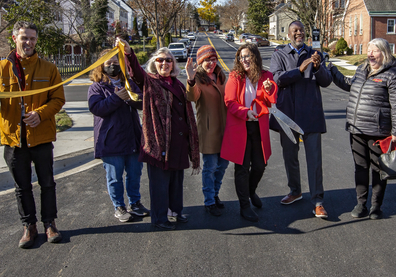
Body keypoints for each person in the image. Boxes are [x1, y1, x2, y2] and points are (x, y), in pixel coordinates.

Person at [0, 21, 65, 248]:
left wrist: (41, 114)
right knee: (21, 186)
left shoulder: (49, 69)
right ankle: (29, 226)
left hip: (42, 136)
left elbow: (58, 99)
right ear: (15, 38)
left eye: (33, 39)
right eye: (24, 38)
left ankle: (49, 224)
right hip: (13, 139)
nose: (29, 42)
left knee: (47, 183)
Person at [116, 38, 200, 231]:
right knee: (160, 185)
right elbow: (135, 72)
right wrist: (128, 52)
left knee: (176, 182)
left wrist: (190, 78)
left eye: (168, 60)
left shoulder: (178, 84)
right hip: (159, 144)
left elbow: (191, 98)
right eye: (160, 60)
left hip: (178, 141)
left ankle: (174, 211)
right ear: (154, 64)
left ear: (173, 64)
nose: (164, 63)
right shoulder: (149, 82)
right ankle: (159, 218)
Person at [330, 38, 396, 220]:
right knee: (360, 167)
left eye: (375, 51)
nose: (370, 54)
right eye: (368, 50)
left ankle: (376, 206)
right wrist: (333, 71)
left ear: (385, 53)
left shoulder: (393, 74)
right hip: (356, 128)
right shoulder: (362, 69)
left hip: (378, 130)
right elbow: (349, 84)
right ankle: (361, 203)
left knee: (379, 168)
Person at [270, 20, 332, 219]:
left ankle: (318, 202)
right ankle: (295, 191)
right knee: (290, 157)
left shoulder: (315, 54)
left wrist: (316, 67)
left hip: (311, 114)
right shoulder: (279, 55)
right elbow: (278, 79)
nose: (299, 33)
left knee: (314, 160)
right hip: (287, 115)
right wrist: (300, 69)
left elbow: (326, 81)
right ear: (288, 34)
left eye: (302, 30)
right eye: (295, 31)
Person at [88, 50, 150, 223]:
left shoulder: (128, 83)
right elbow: (97, 108)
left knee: (134, 173)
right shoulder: (97, 86)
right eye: (108, 63)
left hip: (132, 138)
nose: (112, 65)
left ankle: (135, 203)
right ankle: (119, 206)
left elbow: (142, 101)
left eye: (116, 62)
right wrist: (116, 98)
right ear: (101, 65)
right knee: (114, 177)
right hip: (110, 141)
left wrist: (129, 97)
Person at [221, 43, 278, 222]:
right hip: (241, 127)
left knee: (260, 165)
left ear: (255, 57)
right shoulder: (235, 77)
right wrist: (245, 112)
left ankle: (251, 191)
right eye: (241, 57)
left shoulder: (266, 76)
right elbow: (229, 101)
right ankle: (244, 206)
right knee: (242, 168)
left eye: (247, 56)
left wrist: (269, 90)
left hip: (258, 127)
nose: (244, 60)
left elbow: (271, 101)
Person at [185, 45, 229, 217]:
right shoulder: (197, 79)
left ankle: (215, 193)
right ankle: (209, 201)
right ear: (200, 62)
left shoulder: (221, 77)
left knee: (223, 165)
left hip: (225, 129)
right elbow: (191, 96)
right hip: (209, 130)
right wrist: (190, 79)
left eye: (213, 59)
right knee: (210, 167)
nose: (210, 63)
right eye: (206, 60)